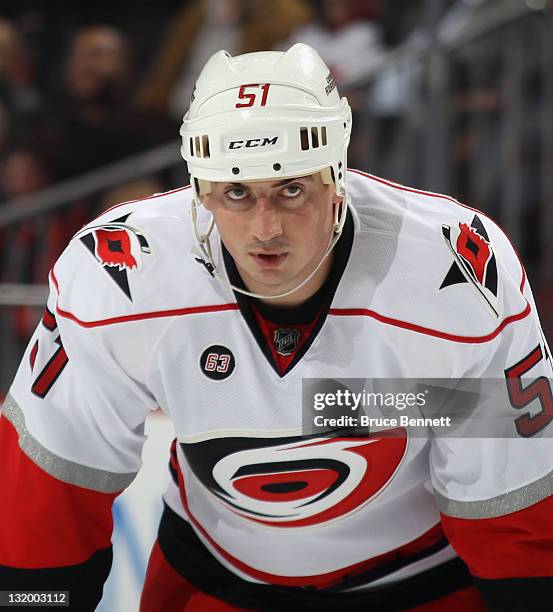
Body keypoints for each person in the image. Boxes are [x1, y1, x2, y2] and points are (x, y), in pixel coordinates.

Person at [1, 44, 552, 612]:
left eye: (291, 189)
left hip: (427, 584)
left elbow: (514, 510)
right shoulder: (117, 273)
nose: (266, 229)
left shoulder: (456, 272)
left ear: (336, 176)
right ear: (201, 191)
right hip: (215, 580)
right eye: (237, 192)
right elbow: (49, 499)